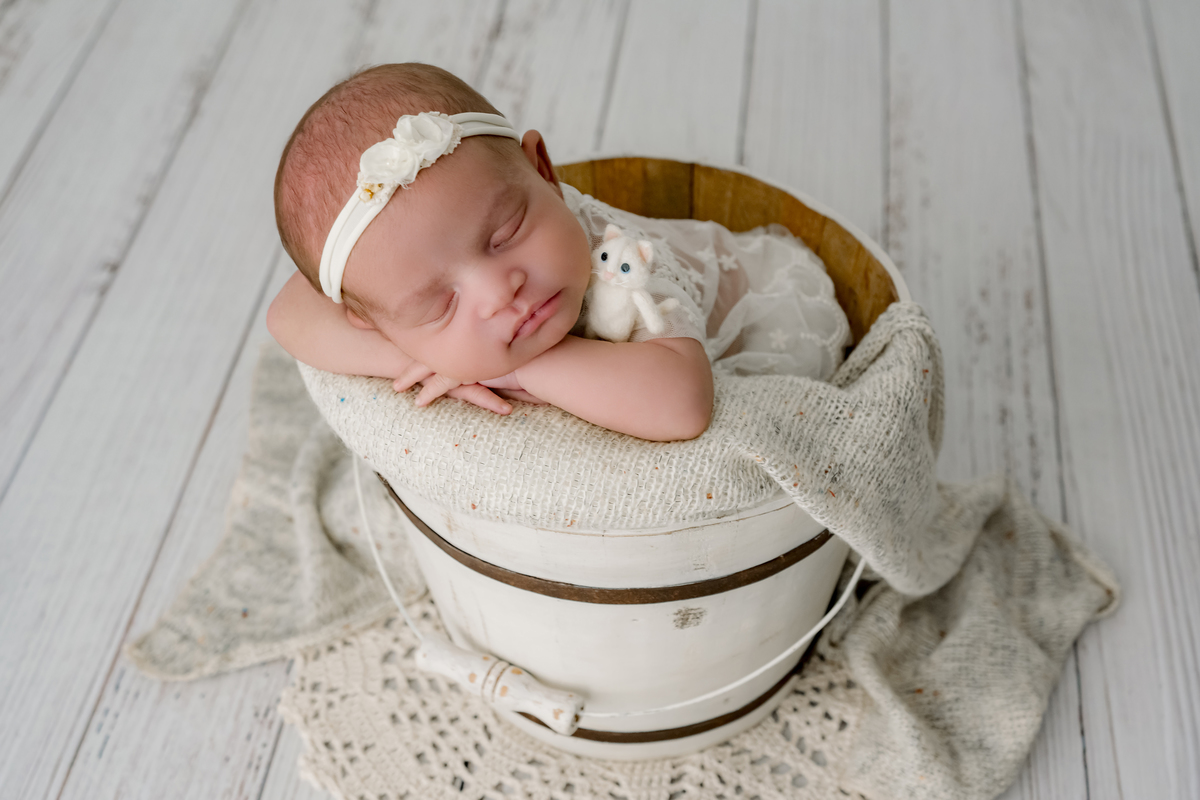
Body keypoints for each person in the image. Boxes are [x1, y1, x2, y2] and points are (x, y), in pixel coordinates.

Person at [269, 63, 849, 442]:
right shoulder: (391, 288)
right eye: (439, 304)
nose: (501, 293)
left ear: (543, 171)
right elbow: (287, 313)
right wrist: (410, 356)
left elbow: (683, 405)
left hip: (752, 319)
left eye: (505, 234)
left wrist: (513, 364)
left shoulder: (621, 257)